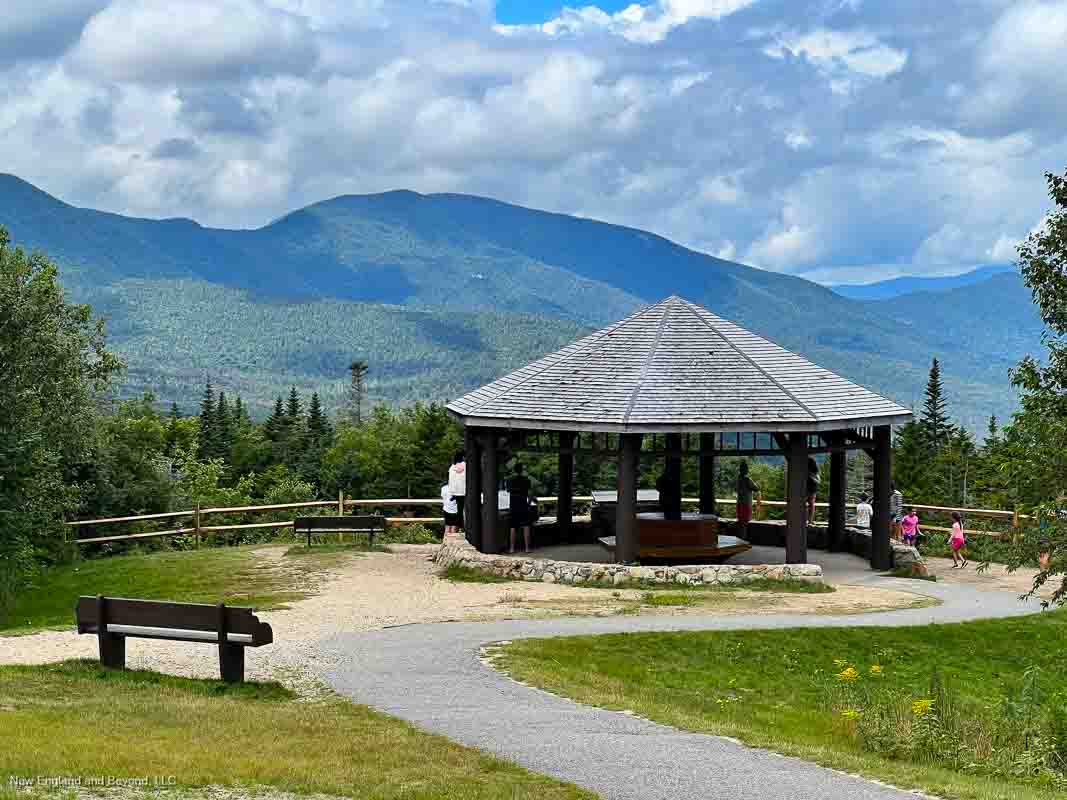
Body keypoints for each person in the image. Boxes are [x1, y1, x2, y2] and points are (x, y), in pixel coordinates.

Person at [508, 462, 533, 554]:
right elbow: (530, 494)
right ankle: (527, 548)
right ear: (522, 470)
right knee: (526, 526)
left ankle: (512, 548)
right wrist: (528, 504)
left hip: (513, 505)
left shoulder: (510, 480)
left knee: (513, 527)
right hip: (523, 505)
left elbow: (508, 492)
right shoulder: (527, 480)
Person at [736, 460, 760, 538]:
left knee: (740, 522)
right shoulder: (747, 480)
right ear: (745, 470)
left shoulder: (738, 479)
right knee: (744, 522)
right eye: (746, 469)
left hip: (739, 503)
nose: (747, 470)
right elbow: (756, 488)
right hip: (746, 503)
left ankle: (740, 538)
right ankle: (743, 539)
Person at [447, 451, 466, 531]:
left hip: (454, 492)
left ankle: (459, 525)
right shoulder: (465, 465)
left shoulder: (452, 467)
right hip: (464, 491)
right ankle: (462, 525)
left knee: (459, 509)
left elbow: (450, 480)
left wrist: (451, 492)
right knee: (463, 509)